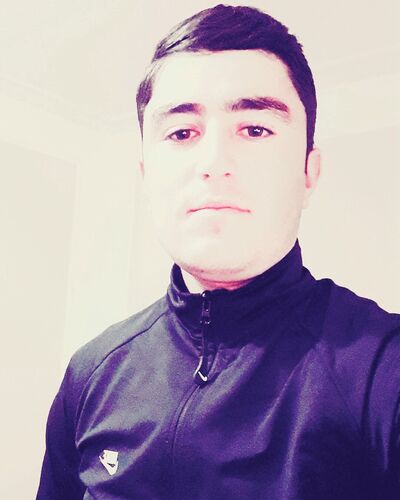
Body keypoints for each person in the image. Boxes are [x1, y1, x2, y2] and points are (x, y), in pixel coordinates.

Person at [37, 4, 400, 499]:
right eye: (182, 133)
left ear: (309, 173)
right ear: (146, 175)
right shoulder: (92, 373)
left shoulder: (383, 371)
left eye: (255, 129)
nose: (213, 161)